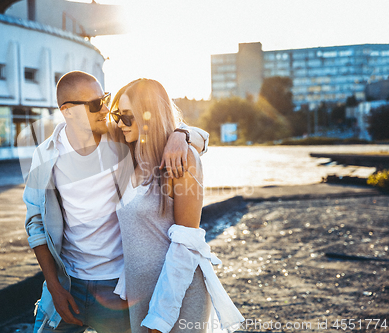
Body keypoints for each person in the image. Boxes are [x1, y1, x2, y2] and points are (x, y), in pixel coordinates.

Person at [22, 71, 209, 333]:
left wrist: (181, 134)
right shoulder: (44, 154)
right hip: (68, 283)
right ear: (68, 111)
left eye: (105, 99)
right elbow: (36, 224)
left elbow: (165, 127)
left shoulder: (121, 139)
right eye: (96, 104)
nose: (107, 110)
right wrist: (53, 287)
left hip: (119, 288)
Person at [109, 79, 245, 333]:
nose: (119, 123)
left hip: (177, 297)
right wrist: (184, 133)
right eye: (117, 115)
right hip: (139, 294)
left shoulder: (182, 159)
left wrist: (160, 318)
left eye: (127, 117)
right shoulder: (128, 160)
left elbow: (186, 245)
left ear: (148, 115)